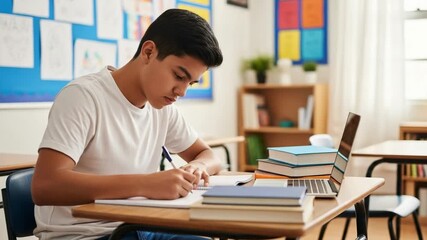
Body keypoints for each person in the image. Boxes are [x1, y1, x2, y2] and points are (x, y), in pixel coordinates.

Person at [31, 8, 223, 240]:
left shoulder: (162, 108)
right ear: (149, 52)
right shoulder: (83, 97)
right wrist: (145, 184)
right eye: (179, 76)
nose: (181, 91)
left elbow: (208, 154)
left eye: (190, 83)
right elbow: (45, 186)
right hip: (86, 234)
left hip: (139, 226)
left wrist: (198, 167)